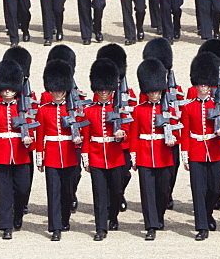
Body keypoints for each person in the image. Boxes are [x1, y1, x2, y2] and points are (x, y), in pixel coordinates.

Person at [0, 59, 35, 240]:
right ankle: (6, 226)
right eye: (4, 88)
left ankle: (19, 213)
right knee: (4, 191)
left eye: (10, 88)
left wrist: (30, 142)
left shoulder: (24, 110)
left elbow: (32, 133)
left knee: (22, 189)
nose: (7, 91)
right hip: (1, 155)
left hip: (20, 153)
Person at [180, 52, 220, 241]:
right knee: (198, 190)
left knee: (215, 189)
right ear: (196, 85)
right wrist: (186, 155)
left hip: (214, 150)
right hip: (197, 151)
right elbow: (185, 133)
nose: (203, 87)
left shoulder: (218, 104)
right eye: (201, 84)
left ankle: (207, 215)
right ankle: (201, 226)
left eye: (206, 84)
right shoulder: (189, 107)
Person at [130, 58, 177, 239]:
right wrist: (133, 155)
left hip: (164, 153)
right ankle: (150, 225)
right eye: (151, 92)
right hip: (144, 154)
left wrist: (174, 139)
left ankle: (159, 216)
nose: (154, 95)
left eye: (157, 91)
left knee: (163, 189)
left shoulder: (169, 110)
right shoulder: (139, 110)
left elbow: (177, 130)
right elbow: (134, 134)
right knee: (147, 191)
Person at [82, 58, 127, 241]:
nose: (103, 93)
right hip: (96, 155)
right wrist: (85, 157)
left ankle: (113, 215)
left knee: (116, 191)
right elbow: (85, 136)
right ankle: (101, 227)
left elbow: (129, 132)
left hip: (115, 155)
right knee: (99, 193)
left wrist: (122, 135)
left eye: (106, 89)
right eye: (100, 89)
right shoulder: (89, 111)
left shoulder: (119, 109)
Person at [34, 59, 80, 239]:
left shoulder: (73, 109)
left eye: (60, 90)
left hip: (69, 153)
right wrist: (40, 157)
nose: (58, 93)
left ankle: (65, 218)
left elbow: (83, 130)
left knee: (68, 191)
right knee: (53, 191)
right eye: (55, 90)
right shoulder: (44, 110)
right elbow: (40, 135)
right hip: (52, 153)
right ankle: (55, 227)